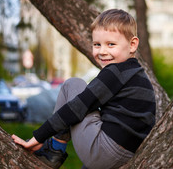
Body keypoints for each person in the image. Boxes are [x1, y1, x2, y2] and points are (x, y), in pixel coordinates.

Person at [12, 9, 156, 169]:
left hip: (106, 151)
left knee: (72, 85)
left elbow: (78, 107)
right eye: (97, 44)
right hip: (128, 153)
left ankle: (54, 150)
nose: (102, 51)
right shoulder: (138, 75)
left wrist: (37, 137)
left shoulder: (115, 72)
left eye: (111, 44)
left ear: (132, 44)